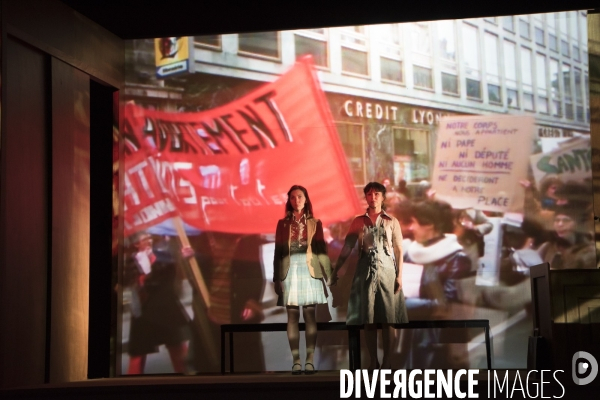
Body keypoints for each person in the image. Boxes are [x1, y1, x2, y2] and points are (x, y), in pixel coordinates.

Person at [329, 182, 408, 370]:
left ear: (383, 197)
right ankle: (373, 359)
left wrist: (399, 276)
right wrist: (336, 269)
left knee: (389, 318)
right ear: (366, 197)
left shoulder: (392, 221)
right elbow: (348, 247)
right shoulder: (358, 221)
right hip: (365, 272)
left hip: (387, 271)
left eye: (377, 194)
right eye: (369, 194)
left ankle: (388, 358)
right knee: (369, 319)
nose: (373, 197)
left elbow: (398, 249)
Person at [402, 199, 472, 369]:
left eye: (415, 223)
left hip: (438, 341)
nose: (411, 228)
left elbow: (447, 305)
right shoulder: (409, 254)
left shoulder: (457, 259)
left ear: (430, 225)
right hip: (408, 337)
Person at [273, 185, 332, 374]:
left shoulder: (315, 223)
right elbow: (278, 253)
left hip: (310, 269)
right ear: (288, 201)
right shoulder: (282, 224)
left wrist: (329, 275)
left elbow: (322, 251)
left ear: (306, 199)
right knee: (292, 316)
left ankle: (310, 358)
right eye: (292, 197)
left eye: (299, 197)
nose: (296, 200)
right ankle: (296, 360)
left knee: (309, 315)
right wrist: (276, 278)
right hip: (289, 270)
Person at [124, 232, 194, 374]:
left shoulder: (161, 256)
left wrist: (182, 256)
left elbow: (171, 269)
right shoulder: (131, 261)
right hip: (144, 313)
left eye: (150, 238)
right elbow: (129, 282)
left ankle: (186, 378)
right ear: (137, 244)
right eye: (145, 239)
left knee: (176, 347)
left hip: (165, 308)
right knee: (138, 352)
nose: (149, 241)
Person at [537, 203, 596, 269]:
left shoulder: (589, 251)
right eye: (557, 220)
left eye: (566, 220)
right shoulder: (547, 247)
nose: (560, 224)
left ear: (577, 225)